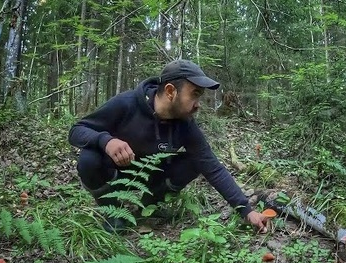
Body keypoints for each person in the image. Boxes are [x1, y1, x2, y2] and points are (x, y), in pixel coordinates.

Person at [68, 59, 268, 233]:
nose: (198, 104)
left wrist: (247, 211)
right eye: (195, 94)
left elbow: (212, 166)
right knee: (88, 159)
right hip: (116, 175)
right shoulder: (126, 104)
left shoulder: (185, 124)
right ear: (171, 91)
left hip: (152, 178)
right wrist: (106, 141)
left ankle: (150, 204)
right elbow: (77, 130)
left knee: (195, 161)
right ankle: (111, 211)